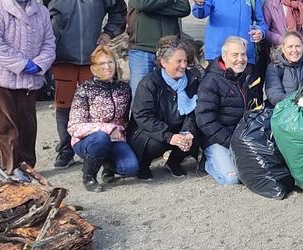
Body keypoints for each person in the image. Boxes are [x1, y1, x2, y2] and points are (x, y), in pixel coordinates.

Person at [38, 0, 127, 169]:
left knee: (95, 108)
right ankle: (66, 150)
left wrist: (108, 33)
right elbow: (35, 20)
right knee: (64, 106)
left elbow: (119, 9)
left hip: (92, 59)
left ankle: (95, 150)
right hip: (62, 58)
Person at [0, 0, 56, 178]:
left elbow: (49, 42)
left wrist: (40, 64)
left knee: (27, 123)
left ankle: (27, 165)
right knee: (7, 123)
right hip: (1, 76)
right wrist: (22, 64)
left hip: (30, 77)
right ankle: (9, 166)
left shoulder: (41, 12)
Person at [67, 45, 137, 192]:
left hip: (116, 139)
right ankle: (89, 176)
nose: (107, 67)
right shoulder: (85, 89)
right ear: (93, 68)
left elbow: (125, 119)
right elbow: (74, 126)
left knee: (131, 168)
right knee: (101, 138)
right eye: (102, 64)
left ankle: (108, 164)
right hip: (88, 140)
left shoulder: (124, 88)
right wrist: (107, 128)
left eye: (110, 62)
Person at [129, 37, 201, 180]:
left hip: (177, 126)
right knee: (156, 143)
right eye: (178, 61)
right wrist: (169, 136)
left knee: (196, 133)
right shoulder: (149, 83)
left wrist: (188, 132)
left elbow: (193, 112)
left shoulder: (192, 80)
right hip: (147, 131)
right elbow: (143, 117)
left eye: (185, 61)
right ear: (163, 62)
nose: (183, 65)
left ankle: (174, 161)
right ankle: (143, 165)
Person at [195, 36, 251, 186]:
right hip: (217, 139)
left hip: (241, 137)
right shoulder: (211, 80)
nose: (240, 59)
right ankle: (207, 163)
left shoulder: (248, 75)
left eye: (243, 54)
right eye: (235, 55)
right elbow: (204, 120)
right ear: (224, 56)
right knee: (232, 178)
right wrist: (230, 142)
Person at [265, 31, 303, 106]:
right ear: (283, 49)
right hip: (285, 112)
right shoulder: (274, 67)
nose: (294, 50)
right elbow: (275, 96)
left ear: (302, 47)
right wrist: (301, 98)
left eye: (298, 46)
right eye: (290, 47)